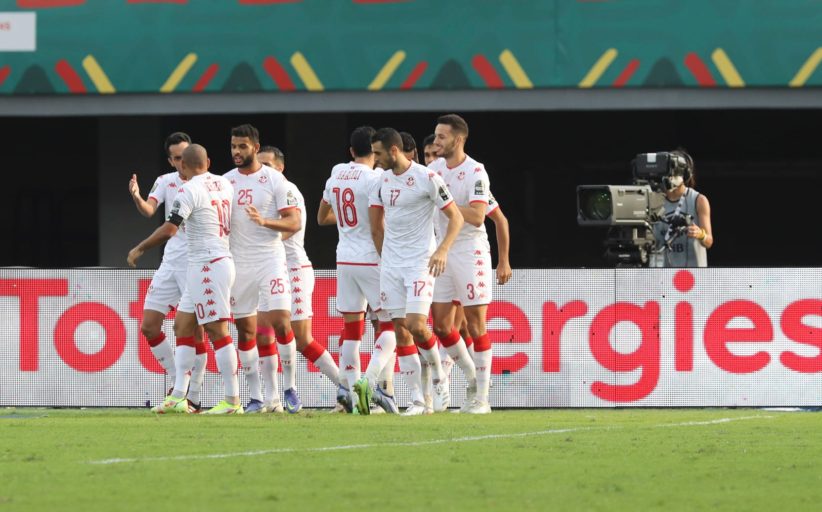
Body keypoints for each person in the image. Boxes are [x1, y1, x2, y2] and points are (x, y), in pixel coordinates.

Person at [128, 144, 241, 414]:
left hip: (208, 264)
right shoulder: (224, 184)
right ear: (208, 162)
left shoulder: (189, 189)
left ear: (185, 167)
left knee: (217, 331)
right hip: (204, 264)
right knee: (182, 326)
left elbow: (170, 228)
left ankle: (232, 400)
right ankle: (179, 396)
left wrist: (140, 248)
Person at [363, 127, 463, 416]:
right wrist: (386, 259)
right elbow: (376, 227)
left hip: (420, 262)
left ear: (394, 151)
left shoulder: (427, 177)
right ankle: (418, 400)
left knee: (417, 325)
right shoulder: (379, 181)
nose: (375, 159)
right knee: (400, 330)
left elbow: (455, 217)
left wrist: (442, 250)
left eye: (379, 153)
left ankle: (439, 378)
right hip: (391, 266)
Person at [317, 126, 399, 414]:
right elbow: (378, 227)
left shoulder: (337, 172)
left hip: (345, 259)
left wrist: (345, 221)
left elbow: (322, 217)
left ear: (351, 151)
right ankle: (370, 381)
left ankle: (352, 398)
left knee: (352, 329)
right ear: (374, 151)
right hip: (372, 258)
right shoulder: (377, 178)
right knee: (391, 323)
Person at [127, 132, 208, 412]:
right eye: (176, 158)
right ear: (171, 160)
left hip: (195, 262)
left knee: (195, 331)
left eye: (185, 156)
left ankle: (193, 397)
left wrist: (140, 248)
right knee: (149, 326)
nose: (182, 162)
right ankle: (177, 380)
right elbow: (150, 210)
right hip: (170, 262)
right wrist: (137, 197)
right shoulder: (166, 181)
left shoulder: (206, 184)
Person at [257, 144, 341, 412]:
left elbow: (291, 228)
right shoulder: (258, 194)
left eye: (267, 165)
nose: (262, 170)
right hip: (267, 269)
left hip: (293, 268)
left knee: (302, 338)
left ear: (280, 167)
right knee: (263, 334)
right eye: (259, 165)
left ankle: (346, 389)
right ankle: (271, 399)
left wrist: (256, 241)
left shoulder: (288, 190)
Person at [427, 114, 495, 414]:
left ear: (459, 139)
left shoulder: (475, 172)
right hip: (441, 249)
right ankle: (471, 378)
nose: (436, 142)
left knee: (476, 325)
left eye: (442, 137)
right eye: (436, 136)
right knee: (442, 326)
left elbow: (479, 216)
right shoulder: (433, 170)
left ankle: (482, 399)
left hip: (469, 250)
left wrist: (447, 206)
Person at [651, 149, 713, 267]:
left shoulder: (699, 200)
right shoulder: (654, 201)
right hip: (663, 274)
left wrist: (700, 234)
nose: (669, 177)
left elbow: (709, 241)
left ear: (685, 174)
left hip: (692, 274)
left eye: (673, 173)